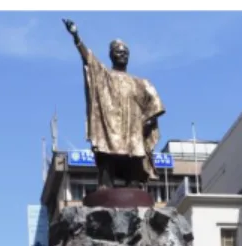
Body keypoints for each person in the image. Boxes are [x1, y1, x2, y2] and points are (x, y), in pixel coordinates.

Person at [63, 19, 166, 189]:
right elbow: (89, 60)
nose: (123, 55)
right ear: (111, 55)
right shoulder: (106, 76)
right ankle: (106, 185)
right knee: (106, 156)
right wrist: (76, 37)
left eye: (126, 52)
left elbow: (156, 105)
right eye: (119, 52)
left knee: (135, 165)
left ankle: (133, 186)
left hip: (133, 130)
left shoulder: (140, 82)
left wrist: (149, 121)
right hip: (111, 129)